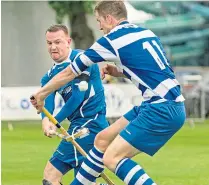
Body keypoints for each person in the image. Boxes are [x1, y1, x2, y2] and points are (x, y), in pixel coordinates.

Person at [31, 1, 186, 185]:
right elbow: (156, 70)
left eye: (99, 21)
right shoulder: (145, 32)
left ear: (109, 19)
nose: (100, 27)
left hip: (161, 108)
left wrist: (41, 93)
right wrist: (119, 71)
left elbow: (71, 71)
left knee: (112, 158)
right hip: (161, 104)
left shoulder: (112, 40)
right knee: (102, 140)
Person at [37, 24, 109, 185]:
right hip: (81, 126)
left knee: (50, 175)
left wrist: (55, 122)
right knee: (85, 182)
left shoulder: (82, 60)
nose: (53, 47)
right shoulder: (48, 76)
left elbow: (77, 98)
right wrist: (45, 120)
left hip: (89, 125)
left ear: (68, 41)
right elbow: (46, 102)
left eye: (58, 42)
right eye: (49, 43)